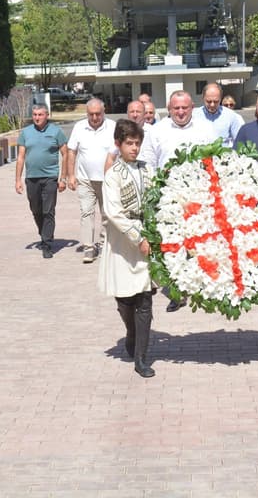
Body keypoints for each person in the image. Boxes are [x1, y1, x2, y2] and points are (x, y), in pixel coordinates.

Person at [138, 90, 217, 311]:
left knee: (201, 243)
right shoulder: (157, 131)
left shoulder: (205, 129)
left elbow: (215, 160)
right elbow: (148, 163)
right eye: (176, 108)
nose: (180, 112)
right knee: (172, 247)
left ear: (192, 107)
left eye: (184, 107)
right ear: (169, 109)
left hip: (199, 197)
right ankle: (177, 291)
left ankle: (203, 288)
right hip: (168, 199)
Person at [96, 119, 158, 378]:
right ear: (118, 145)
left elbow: (158, 197)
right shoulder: (113, 175)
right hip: (123, 241)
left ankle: (141, 358)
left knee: (145, 297)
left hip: (147, 234)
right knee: (125, 298)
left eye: (137, 143)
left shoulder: (147, 170)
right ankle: (131, 332)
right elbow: (113, 213)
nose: (134, 148)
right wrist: (137, 237)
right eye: (129, 143)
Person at [66, 98, 117, 263]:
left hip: (107, 179)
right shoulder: (79, 127)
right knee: (86, 212)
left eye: (98, 114)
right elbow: (71, 151)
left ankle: (103, 244)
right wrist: (71, 176)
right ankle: (88, 247)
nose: (95, 117)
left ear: (104, 112)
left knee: (106, 214)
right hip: (85, 179)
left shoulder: (113, 126)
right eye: (91, 114)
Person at [15, 103, 67, 259]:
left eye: (40, 114)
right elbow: (21, 157)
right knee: (36, 210)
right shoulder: (26, 133)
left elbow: (66, 154)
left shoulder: (56, 131)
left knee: (48, 211)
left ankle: (47, 244)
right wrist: (17, 180)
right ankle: (44, 232)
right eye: (35, 115)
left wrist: (63, 178)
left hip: (50, 177)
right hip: (31, 178)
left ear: (47, 115)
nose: (37, 118)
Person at [194, 82, 244, 148]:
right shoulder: (194, 115)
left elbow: (239, 141)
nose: (212, 105)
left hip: (223, 156)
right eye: (209, 101)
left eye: (216, 101)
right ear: (203, 98)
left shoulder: (231, 116)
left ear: (221, 98)